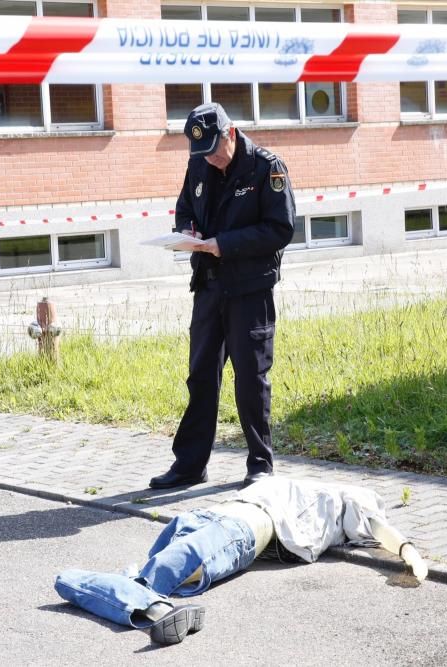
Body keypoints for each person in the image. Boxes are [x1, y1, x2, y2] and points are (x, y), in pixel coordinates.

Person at [54, 477, 428, 645]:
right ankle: (150, 609)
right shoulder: (351, 499)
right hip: (239, 529)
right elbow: (383, 530)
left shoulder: (293, 484)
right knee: (154, 581)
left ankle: (87, 585)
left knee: (157, 573)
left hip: (203, 517)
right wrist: (410, 553)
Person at [149, 102, 296, 490]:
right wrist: (190, 232)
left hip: (249, 290)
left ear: (231, 134)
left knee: (251, 378)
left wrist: (224, 244)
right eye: (203, 154)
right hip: (209, 287)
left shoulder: (267, 168)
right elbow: (185, 208)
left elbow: (279, 229)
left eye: (215, 150)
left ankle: (260, 464)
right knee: (201, 377)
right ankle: (190, 465)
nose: (210, 160)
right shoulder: (200, 162)